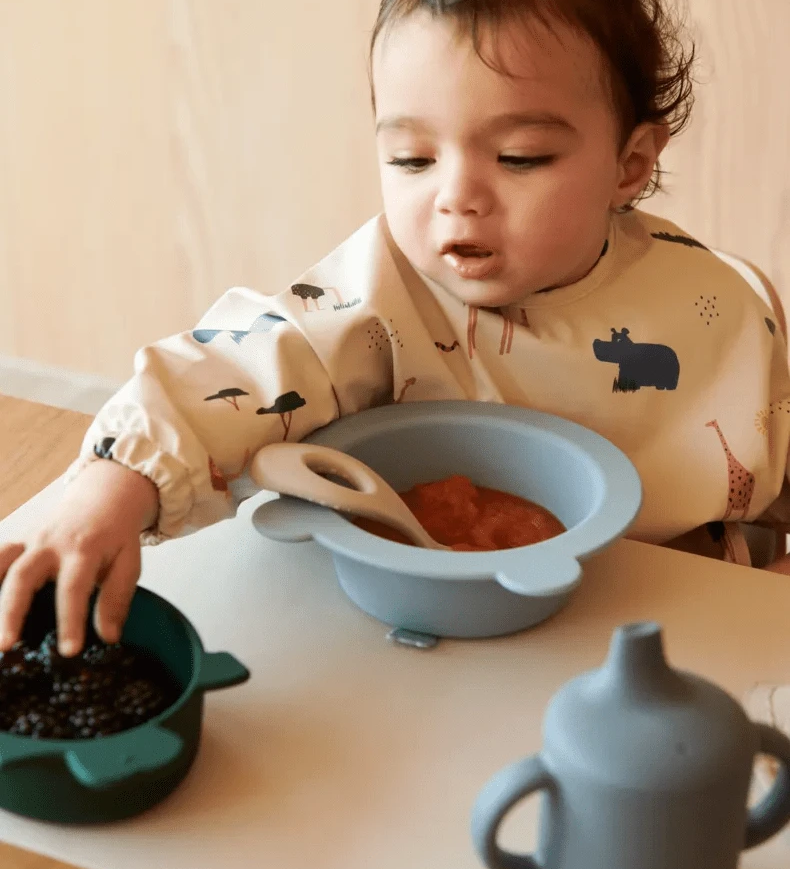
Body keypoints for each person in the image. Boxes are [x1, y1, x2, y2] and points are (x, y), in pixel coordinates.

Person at [2, 0, 790, 658]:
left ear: (629, 164)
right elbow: (232, 370)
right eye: (412, 159)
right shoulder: (372, 297)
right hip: (428, 639)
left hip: (664, 640)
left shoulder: (715, 304)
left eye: (520, 157)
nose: (457, 196)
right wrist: (114, 486)